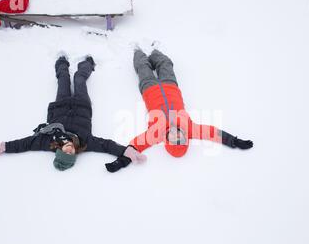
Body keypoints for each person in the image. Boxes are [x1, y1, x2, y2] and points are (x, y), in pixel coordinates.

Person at [0, 54, 146, 172]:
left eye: (64, 152)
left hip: (60, 105)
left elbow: (25, 144)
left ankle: (62, 60)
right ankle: (88, 63)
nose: (69, 150)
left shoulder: (47, 141)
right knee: (78, 79)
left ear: (58, 151)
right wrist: (127, 151)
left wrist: (4, 147)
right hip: (82, 105)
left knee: (63, 78)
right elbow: (106, 146)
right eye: (71, 154)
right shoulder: (84, 143)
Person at [106, 47, 253, 172]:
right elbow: (212, 133)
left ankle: (137, 51)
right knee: (165, 64)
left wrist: (123, 161)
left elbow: (137, 144)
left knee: (143, 67)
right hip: (171, 86)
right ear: (185, 138)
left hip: (149, 89)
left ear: (167, 140)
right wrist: (234, 141)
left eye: (173, 139)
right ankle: (154, 50)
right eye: (180, 138)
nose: (176, 134)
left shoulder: (156, 134)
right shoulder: (189, 128)